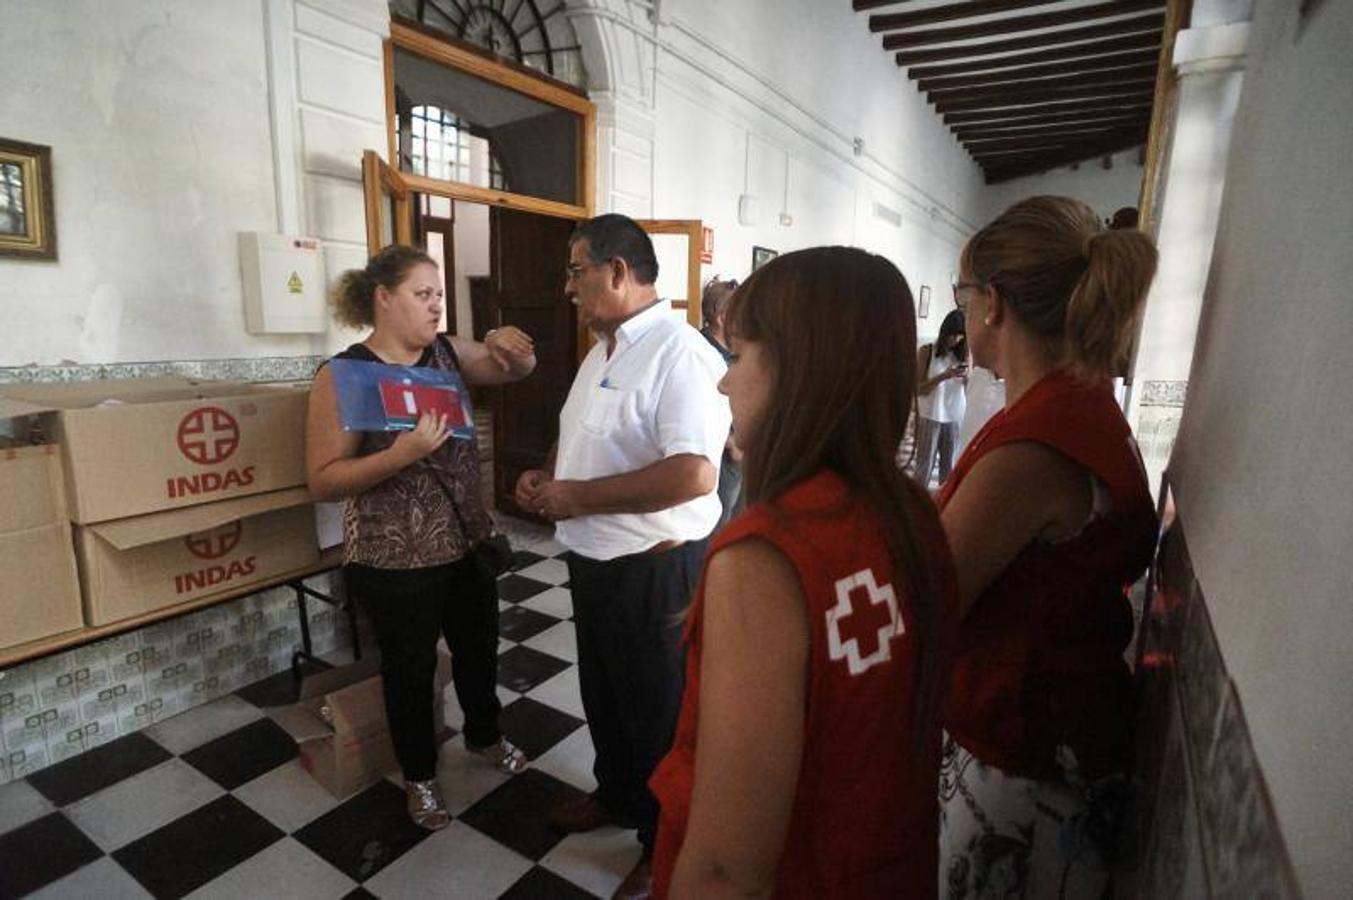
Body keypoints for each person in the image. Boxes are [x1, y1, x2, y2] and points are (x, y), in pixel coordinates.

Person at [649, 247, 955, 899]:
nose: (723, 383)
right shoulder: (912, 511)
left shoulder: (764, 559)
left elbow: (728, 869)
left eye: (738, 356)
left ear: (797, 372)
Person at [936, 196, 1159, 897]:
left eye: (962, 297)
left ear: (993, 303)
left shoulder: (1036, 446)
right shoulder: (1066, 407)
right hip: (1048, 730)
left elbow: (931, 598)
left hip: (1023, 758)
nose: (963, 314)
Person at [513, 214, 730, 900]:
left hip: (655, 569)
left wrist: (576, 496)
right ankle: (617, 794)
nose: (567, 287)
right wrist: (548, 476)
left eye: (575, 271)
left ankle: (664, 842)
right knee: (606, 695)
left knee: (658, 712)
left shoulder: (680, 353)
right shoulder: (602, 351)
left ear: (617, 271)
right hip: (594, 559)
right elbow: (580, 434)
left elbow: (694, 474)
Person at [306, 244, 537, 831]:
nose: (437, 306)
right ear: (383, 298)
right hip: (392, 557)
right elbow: (323, 480)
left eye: (439, 294)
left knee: (479, 651)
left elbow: (516, 370)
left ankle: (484, 735)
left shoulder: (446, 353)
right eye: (423, 294)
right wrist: (401, 454)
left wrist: (510, 343)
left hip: (465, 544)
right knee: (409, 671)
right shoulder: (345, 374)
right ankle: (420, 777)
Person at [699, 275, 743, 531]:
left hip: (735, 458)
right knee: (716, 527)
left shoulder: (734, 351)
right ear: (722, 318)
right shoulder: (700, 355)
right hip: (718, 459)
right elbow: (696, 410)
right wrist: (732, 442)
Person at [912, 308, 968, 488]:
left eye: (960, 336)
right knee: (924, 467)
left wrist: (967, 378)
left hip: (954, 416)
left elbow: (969, 389)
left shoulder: (964, 355)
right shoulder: (927, 351)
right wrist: (944, 376)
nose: (956, 339)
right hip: (930, 415)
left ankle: (945, 503)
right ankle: (916, 502)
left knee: (949, 468)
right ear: (945, 331)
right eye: (953, 334)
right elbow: (918, 389)